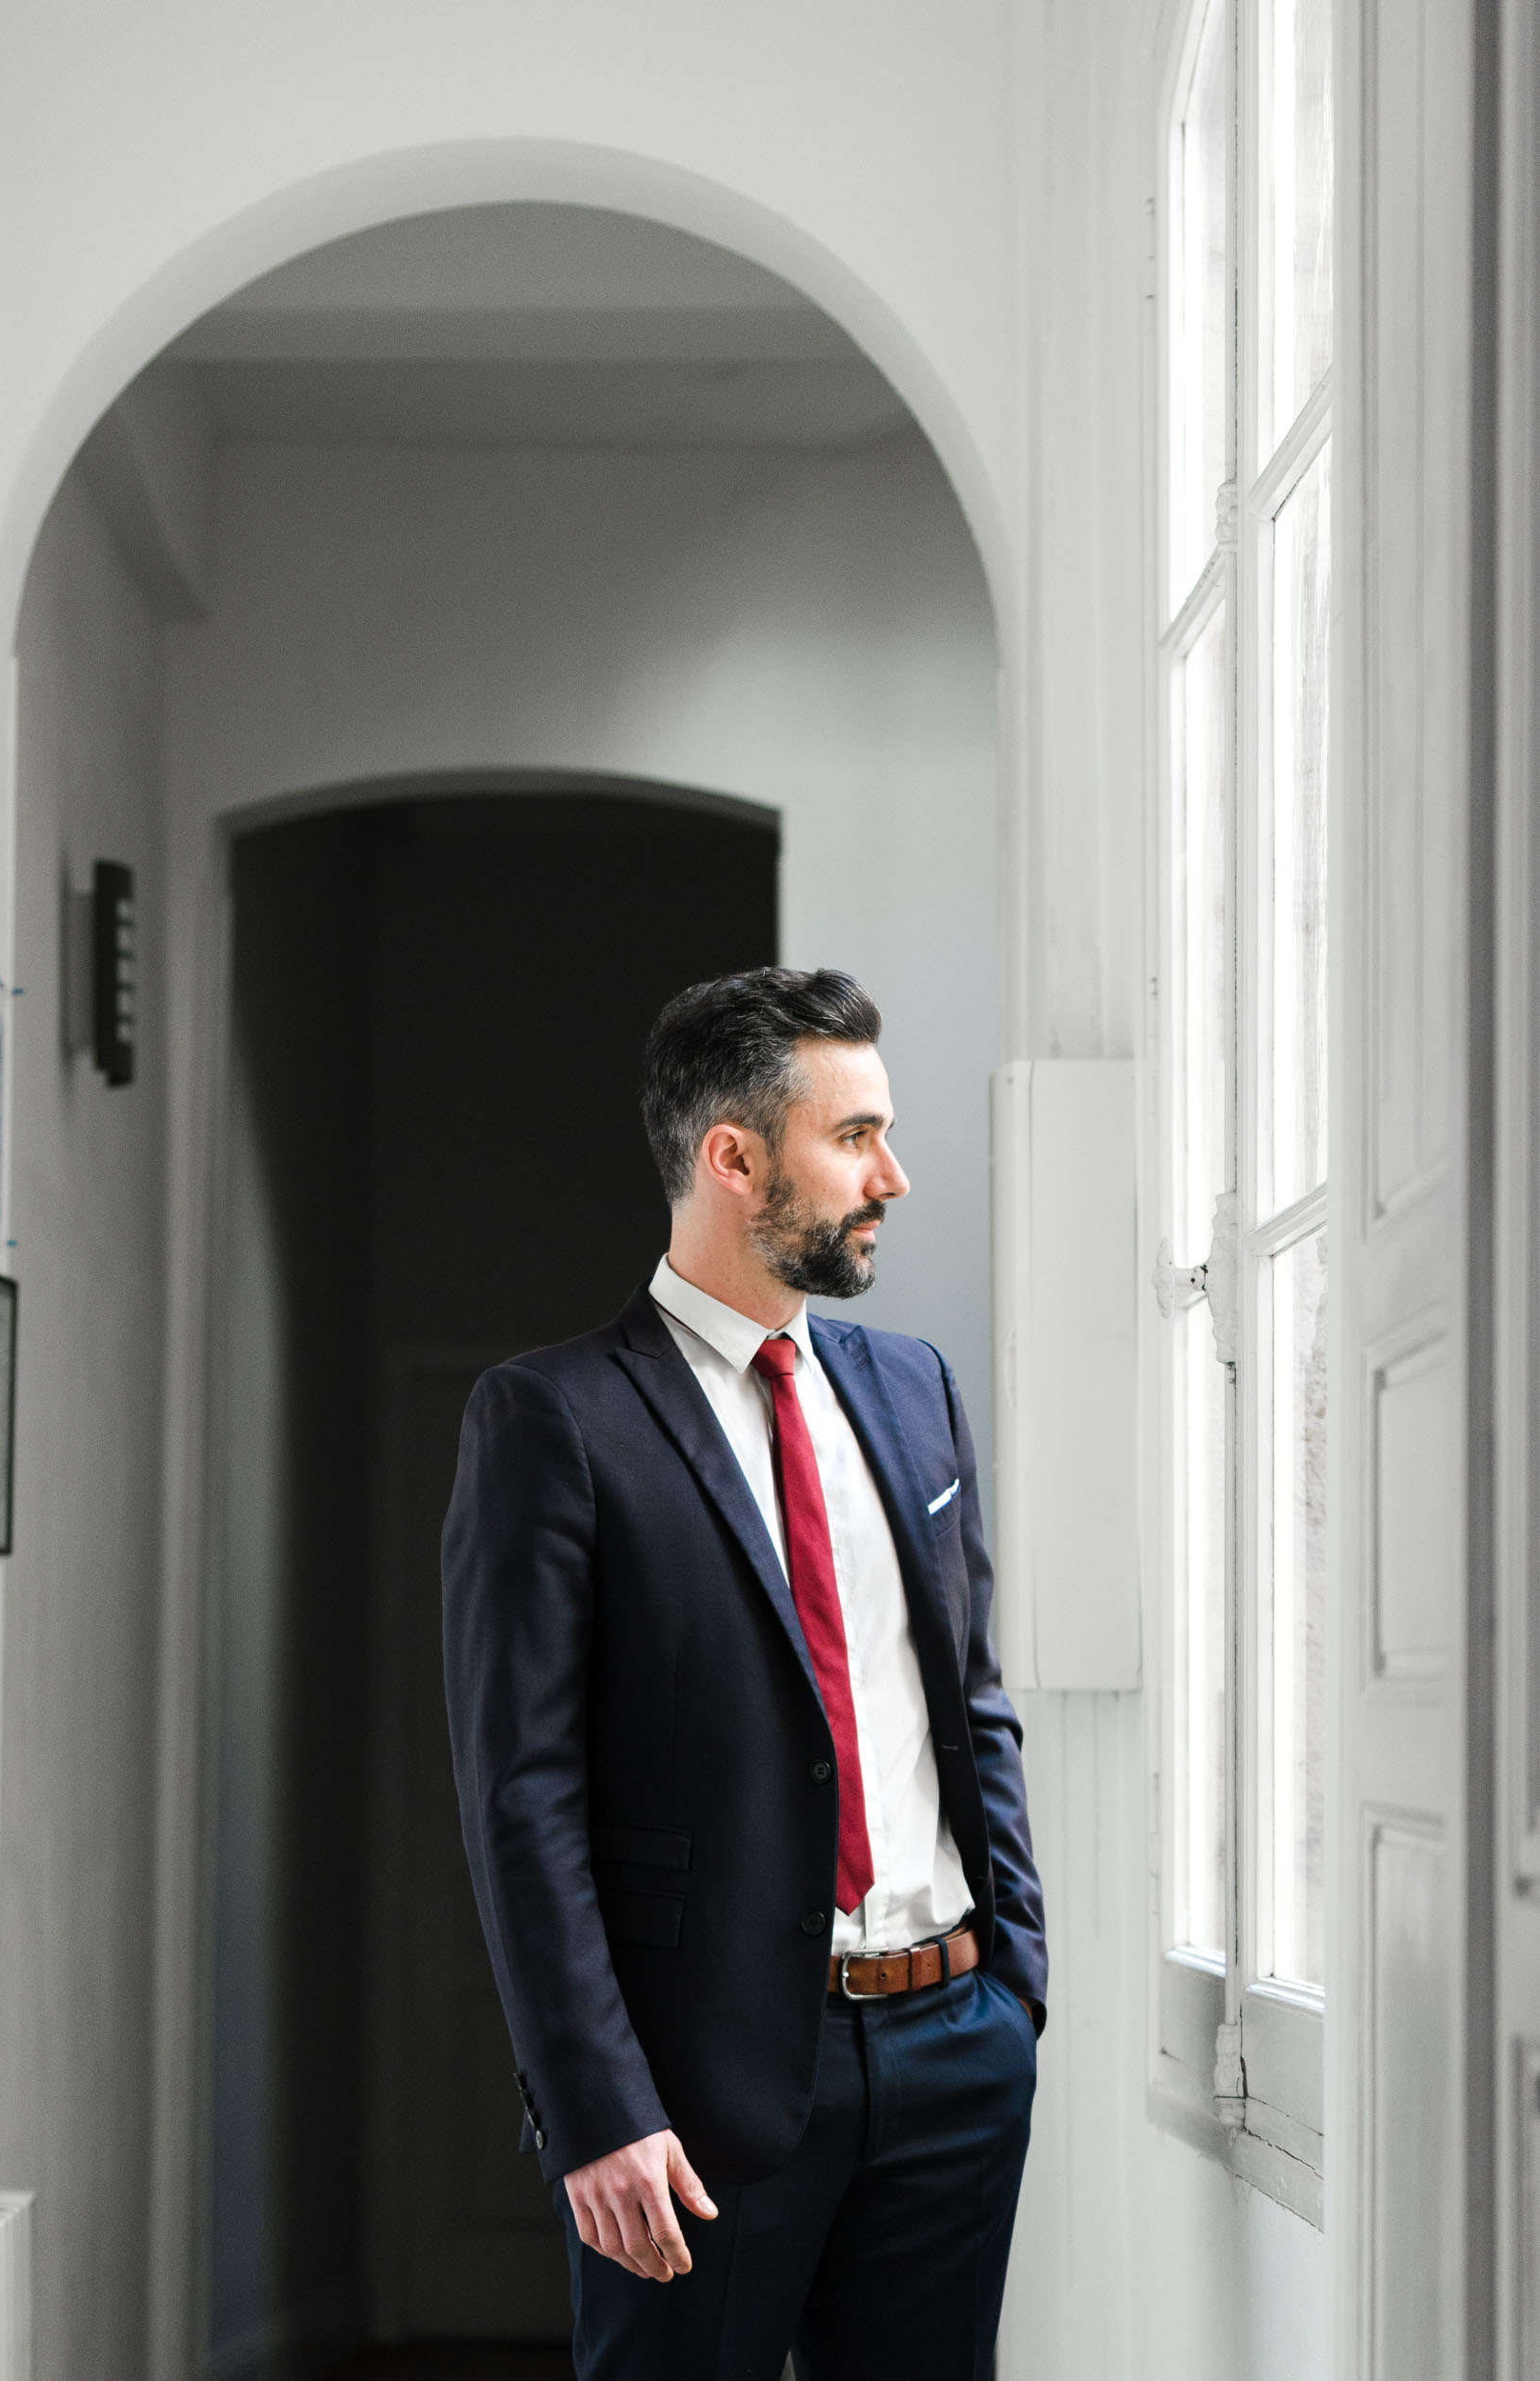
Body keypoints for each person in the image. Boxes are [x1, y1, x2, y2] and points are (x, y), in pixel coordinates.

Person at [442, 967, 1047, 2380]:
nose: (891, 1175)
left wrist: (1012, 1992)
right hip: (694, 2090)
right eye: (855, 1137)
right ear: (733, 1157)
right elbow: (519, 1799)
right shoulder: (553, 1420)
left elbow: (972, 1704)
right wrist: (593, 2106)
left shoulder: (917, 1392)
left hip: (956, 2047)